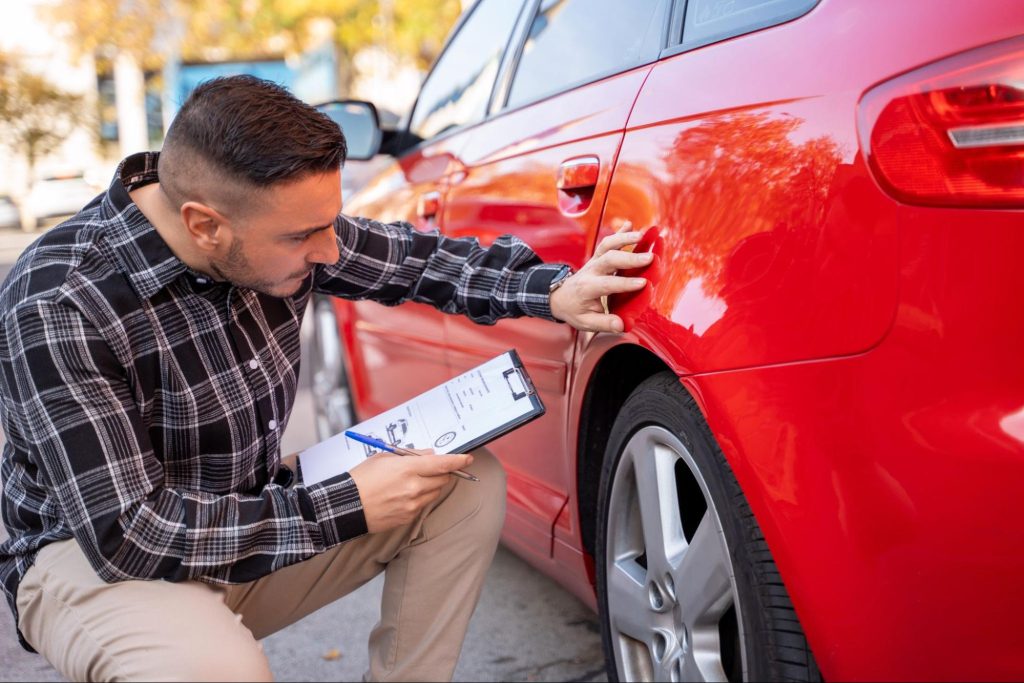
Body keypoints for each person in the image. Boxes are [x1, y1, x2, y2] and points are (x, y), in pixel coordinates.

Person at [0, 75, 652, 682]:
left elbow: (413, 262)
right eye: (307, 234)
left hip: (243, 513)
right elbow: (130, 533)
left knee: (461, 479)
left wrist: (555, 290)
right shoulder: (59, 303)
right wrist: (349, 502)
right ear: (204, 225)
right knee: (215, 671)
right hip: (92, 560)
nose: (331, 252)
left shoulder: (265, 222)